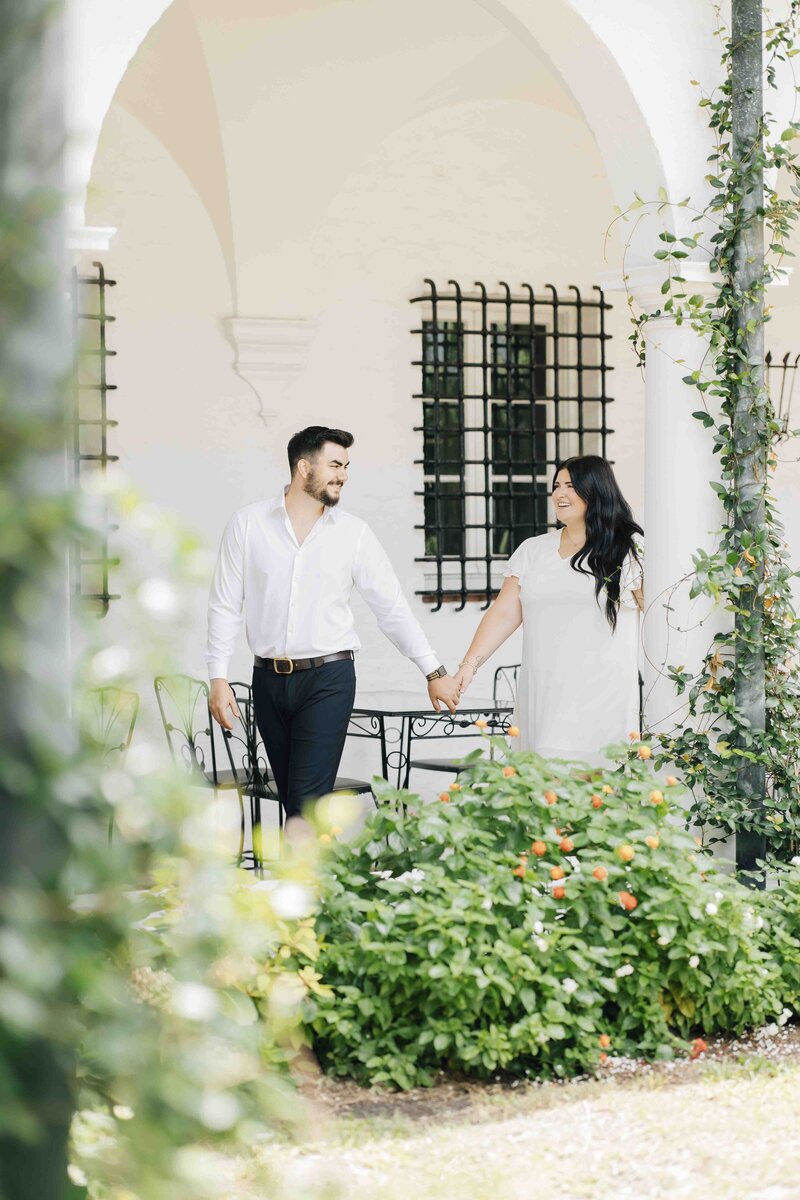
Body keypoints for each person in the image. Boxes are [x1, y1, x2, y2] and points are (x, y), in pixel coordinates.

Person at [207, 425, 461, 819]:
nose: (343, 475)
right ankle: (304, 880)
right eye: (335, 464)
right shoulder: (248, 524)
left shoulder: (354, 534)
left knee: (307, 802)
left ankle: (300, 881)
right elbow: (225, 604)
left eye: (346, 466)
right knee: (294, 802)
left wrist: (433, 670)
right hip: (268, 681)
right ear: (303, 467)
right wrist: (218, 677)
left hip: (329, 678)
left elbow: (390, 608)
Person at [454, 455, 644, 766]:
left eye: (571, 486)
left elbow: (657, 611)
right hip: (542, 696)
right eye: (556, 486)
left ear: (596, 491)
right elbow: (503, 613)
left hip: (602, 697)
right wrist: (468, 666)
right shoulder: (533, 550)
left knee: (593, 793)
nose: (559, 494)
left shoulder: (627, 549)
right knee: (542, 789)